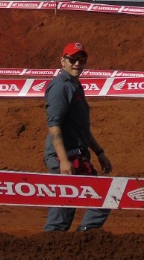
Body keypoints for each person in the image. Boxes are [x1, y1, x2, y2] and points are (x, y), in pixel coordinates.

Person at [43, 41, 113, 232]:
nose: (77, 63)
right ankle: (51, 248)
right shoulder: (60, 87)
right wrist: (63, 160)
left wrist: (99, 152)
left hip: (78, 153)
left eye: (81, 59)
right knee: (63, 212)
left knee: (101, 197)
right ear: (62, 61)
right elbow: (54, 125)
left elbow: (82, 128)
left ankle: (83, 237)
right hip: (63, 157)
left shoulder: (75, 86)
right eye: (73, 59)